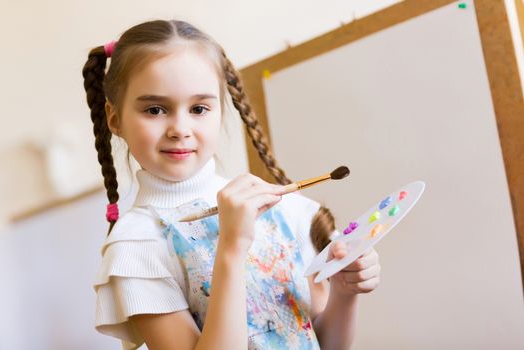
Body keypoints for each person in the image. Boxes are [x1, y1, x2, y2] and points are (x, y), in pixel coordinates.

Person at [82, 19, 380, 350]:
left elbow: (326, 343)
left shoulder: (283, 210)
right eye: (155, 109)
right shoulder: (137, 245)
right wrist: (232, 246)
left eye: (198, 108)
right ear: (115, 119)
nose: (180, 128)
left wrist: (345, 292)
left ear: (220, 112)